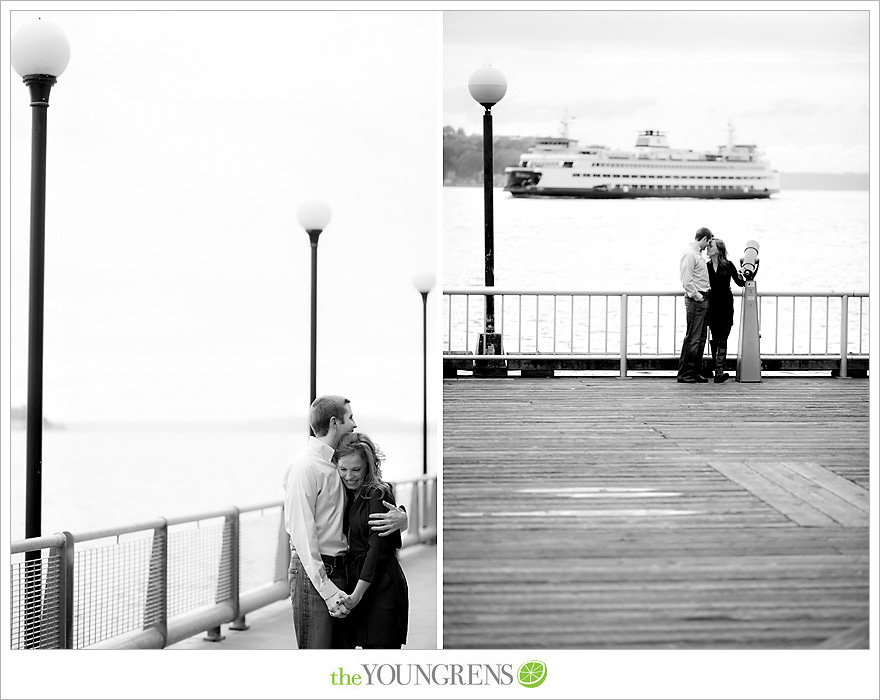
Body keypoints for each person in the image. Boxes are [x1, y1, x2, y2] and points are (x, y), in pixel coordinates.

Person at [283, 395, 407, 648]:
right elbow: (303, 538)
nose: (354, 423)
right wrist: (327, 591)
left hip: (343, 572)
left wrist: (401, 518)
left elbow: (370, 500)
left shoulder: (338, 464)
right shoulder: (305, 467)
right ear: (334, 422)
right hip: (316, 575)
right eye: (350, 417)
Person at [334, 432, 409, 649]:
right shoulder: (346, 493)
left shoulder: (377, 494)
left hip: (381, 586)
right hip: (356, 582)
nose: (349, 476)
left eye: (356, 469)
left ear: (368, 466)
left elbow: (376, 551)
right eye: (343, 469)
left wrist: (356, 595)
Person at [705, 238, 746, 383]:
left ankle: (719, 371)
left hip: (726, 304)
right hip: (712, 305)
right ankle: (718, 371)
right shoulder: (706, 266)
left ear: (719, 249)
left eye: (711, 246)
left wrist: (744, 273)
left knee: (723, 336)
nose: (708, 248)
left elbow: (740, 282)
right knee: (716, 338)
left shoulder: (728, 265)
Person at [677, 227, 714, 383]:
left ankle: (695, 372)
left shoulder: (696, 255)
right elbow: (686, 279)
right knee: (693, 337)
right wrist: (697, 296)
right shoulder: (690, 255)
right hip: (696, 299)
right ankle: (685, 373)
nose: (709, 246)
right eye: (709, 242)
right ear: (704, 239)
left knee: (701, 338)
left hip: (702, 298)